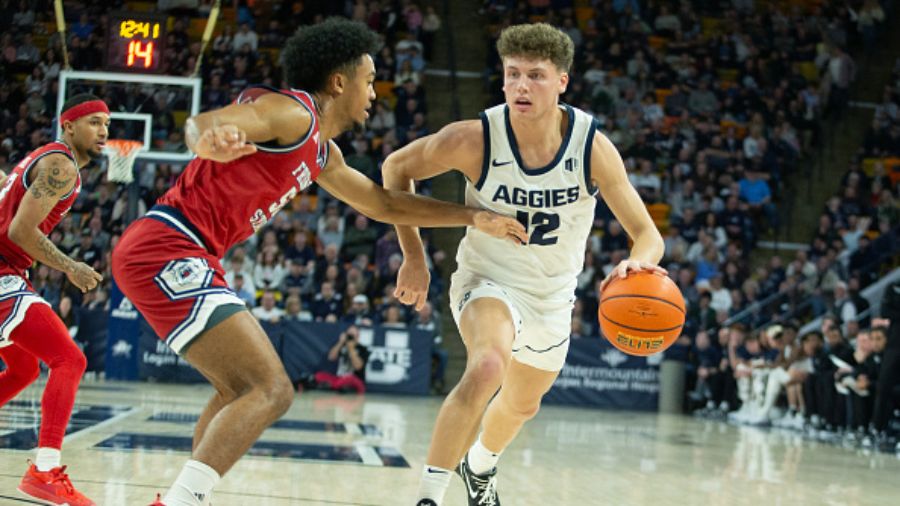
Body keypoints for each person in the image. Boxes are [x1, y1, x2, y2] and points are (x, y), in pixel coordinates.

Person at [110, 18, 525, 506]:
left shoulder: (321, 152)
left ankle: (184, 497)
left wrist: (474, 216)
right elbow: (206, 124)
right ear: (338, 82)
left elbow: (384, 204)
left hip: (184, 252)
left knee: (235, 389)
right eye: (369, 80)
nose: (374, 92)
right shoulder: (292, 113)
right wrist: (206, 138)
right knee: (271, 389)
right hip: (167, 248)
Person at [382, 23, 665, 506]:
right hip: (487, 279)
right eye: (512, 74)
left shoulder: (590, 147)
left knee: (522, 404)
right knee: (488, 364)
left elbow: (648, 235)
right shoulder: (474, 139)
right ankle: (429, 496)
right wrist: (414, 256)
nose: (520, 86)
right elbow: (395, 169)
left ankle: (481, 466)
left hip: (553, 297)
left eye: (535, 75)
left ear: (562, 82)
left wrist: (635, 265)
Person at [0, 93, 106, 506]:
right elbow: (19, 232)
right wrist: (71, 267)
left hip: (11, 270)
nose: (103, 132)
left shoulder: (40, 158)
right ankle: (44, 471)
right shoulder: (61, 165)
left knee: (25, 368)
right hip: (4, 270)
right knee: (70, 360)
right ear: (68, 126)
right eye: (94, 122)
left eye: (107, 125)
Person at [312, 324, 370, 394]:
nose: (350, 338)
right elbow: (331, 357)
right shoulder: (341, 346)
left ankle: (331, 386)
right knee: (319, 375)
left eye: (352, 336)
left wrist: (351, 349)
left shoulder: (363, 349)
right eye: (348, 335)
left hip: (355, 379)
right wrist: (340, 342)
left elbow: (358, 367)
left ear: (357, 337)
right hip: (339, 378)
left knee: (348, 378)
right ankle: (338, 387)